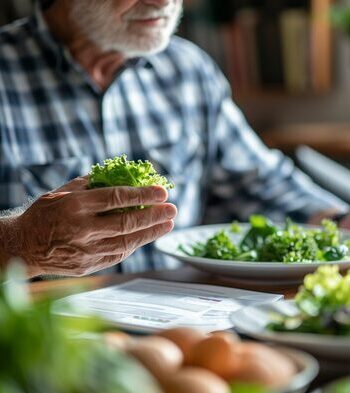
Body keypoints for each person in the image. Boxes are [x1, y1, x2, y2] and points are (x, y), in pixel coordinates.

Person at [0, 0, 349, 277]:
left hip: (178, 323)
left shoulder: (188, 69)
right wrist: (21, 242)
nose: (164, 2)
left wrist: (341, 223)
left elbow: (260, 182)